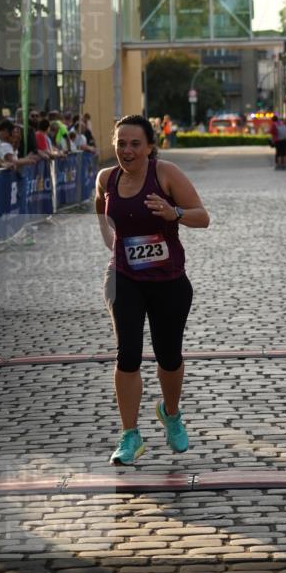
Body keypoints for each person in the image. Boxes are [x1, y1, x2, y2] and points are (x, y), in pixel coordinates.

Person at [95, 114, 210, 465]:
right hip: (124, 278)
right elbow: (101, 208)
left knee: (169, 356)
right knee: (127, 354)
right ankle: (130, 435)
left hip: (168, 281)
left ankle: (170, 414)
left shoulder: (165, 174)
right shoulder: (107, 178)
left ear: (149, 147)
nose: (126, 150)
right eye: (121, 143)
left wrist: (173, 212)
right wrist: (112, 245)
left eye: (134, 144)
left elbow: (202, 216)